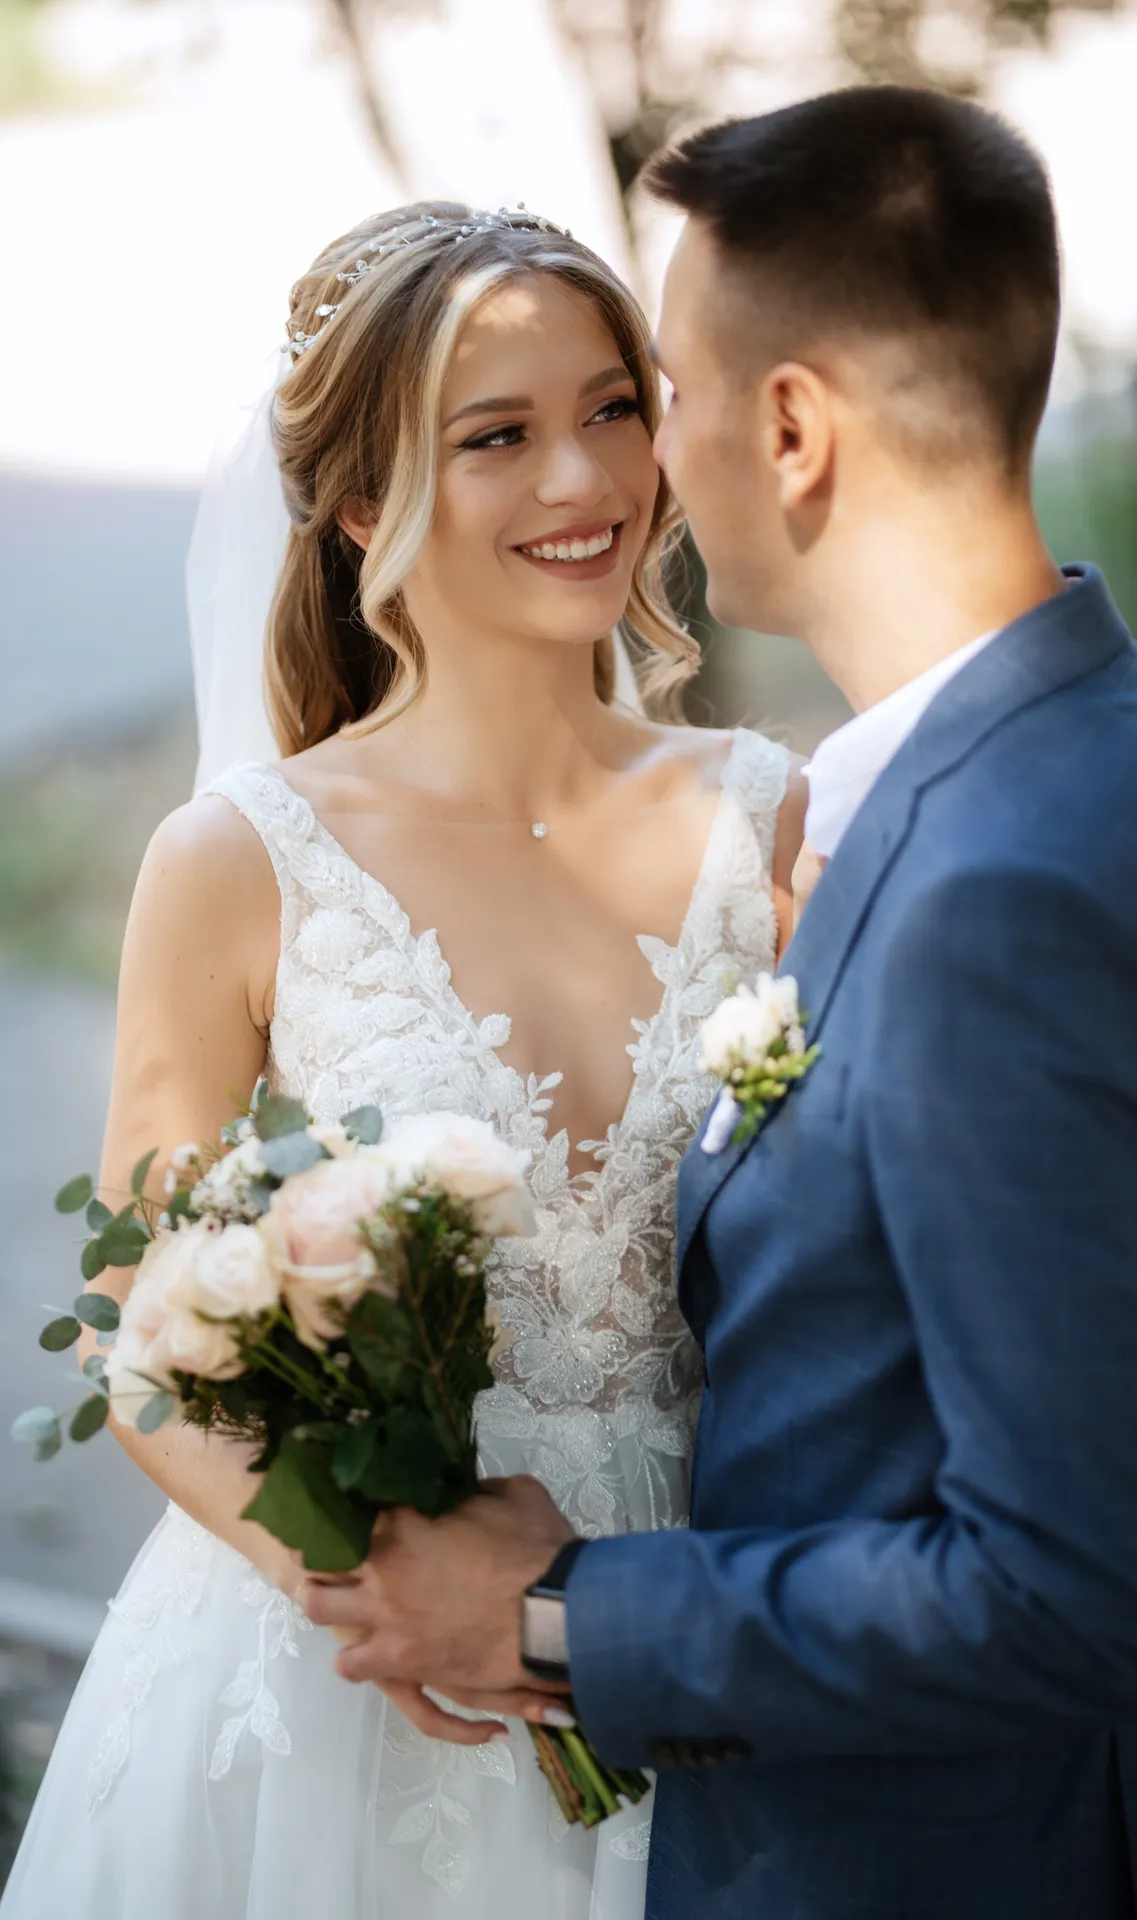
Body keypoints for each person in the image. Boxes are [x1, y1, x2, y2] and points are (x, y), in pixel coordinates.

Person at [306, 89, 1137, 1920]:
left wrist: (553, 1611)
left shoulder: (1010, 887)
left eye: (656, 390)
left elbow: (1075, 1580)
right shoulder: (1122, 756)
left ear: (789, 426)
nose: (634, 461)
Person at [0, 201, 806, 1920]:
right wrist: (380, 1585)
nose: (586, 481)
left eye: (611, 406)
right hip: (356, 1696)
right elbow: (144, 1323)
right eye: (497, 438)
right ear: (364, 501)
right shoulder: (238, 859)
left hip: (694, 1634)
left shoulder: (773, 816)